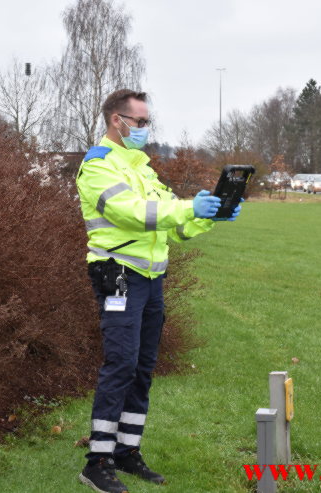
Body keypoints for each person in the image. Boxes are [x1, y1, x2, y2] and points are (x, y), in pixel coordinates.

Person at [75, 89, 242, 493]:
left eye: (148, 122)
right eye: (141, 121)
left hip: (151, 279)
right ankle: (97, 461)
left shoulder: (144, 170)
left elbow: (175, 226)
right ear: (117, 120)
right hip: (118, 275)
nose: (146, 129)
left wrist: (211, 214)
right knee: (120, 364)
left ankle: (127, 452)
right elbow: (129, 213)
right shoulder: (98, 166)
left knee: (143, 367)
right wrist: (186, 208)